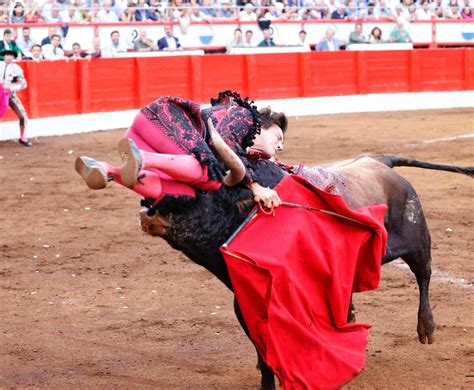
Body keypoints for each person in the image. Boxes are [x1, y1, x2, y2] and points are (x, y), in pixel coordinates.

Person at [75, 90, 285, 209]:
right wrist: (255, 185)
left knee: (181, 194)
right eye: (278, 137)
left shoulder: (242, 149)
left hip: (147, 139)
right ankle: (142, 158)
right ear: (265, 124)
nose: (280, 146)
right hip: (162, 120)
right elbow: (224, 138)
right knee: (209, 175)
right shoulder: (245, 115)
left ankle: (107, 171)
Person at [0, 50, 30, 146]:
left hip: (10, 95)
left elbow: (23, 84)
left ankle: (22, 137)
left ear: (13, 57)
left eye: (10, 55)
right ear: (4, 57)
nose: (8, 57)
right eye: (6, 55)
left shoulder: (17, 69)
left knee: (22, 116)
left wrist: (11, 87)